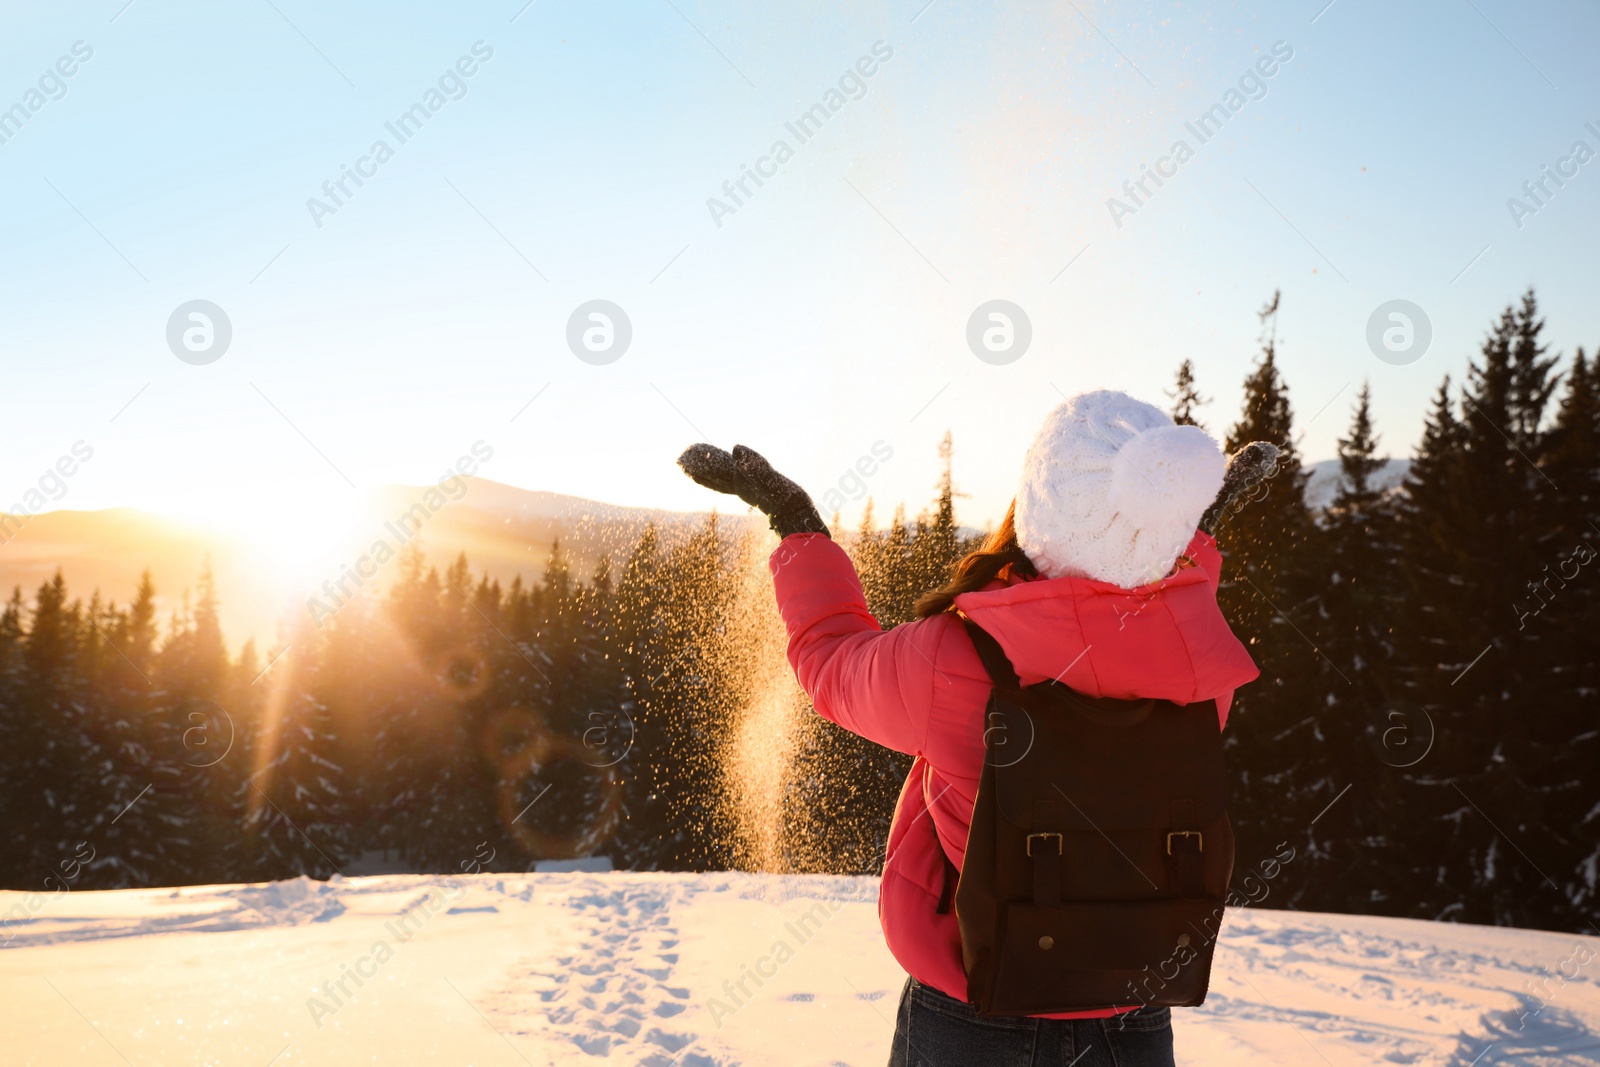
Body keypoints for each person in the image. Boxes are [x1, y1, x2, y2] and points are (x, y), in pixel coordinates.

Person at [678, 390, 1271, 1067]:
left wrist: (797, 521)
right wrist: (1192, 533)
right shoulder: (1206, 670)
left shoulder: (956, 659)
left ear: (1039, 505)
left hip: (973, 1013)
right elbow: (1151, 613)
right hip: (1133, 1019)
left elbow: (832, 665)